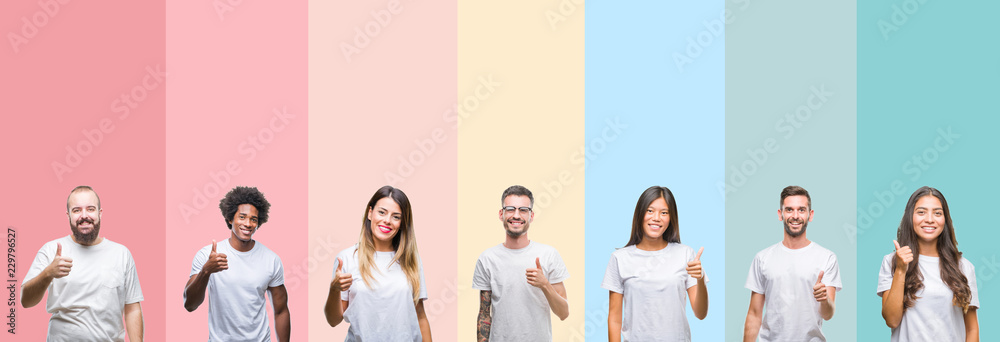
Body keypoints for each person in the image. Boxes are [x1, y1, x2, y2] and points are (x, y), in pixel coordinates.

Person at [21, 185, 144, 342]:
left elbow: (132, 308)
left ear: (100, 213)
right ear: (68, 215)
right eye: (77, 210)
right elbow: (26, 300)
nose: (84, 216)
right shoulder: (51, 249)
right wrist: (48, 273)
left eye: (90, 209)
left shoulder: (122, 254)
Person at [324, 185, 432, 341]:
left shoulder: (411, 259)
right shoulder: (347, 258)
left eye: (396, 216)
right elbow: (333, 321)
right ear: (370, 213)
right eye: (382, 212)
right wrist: (334, 289)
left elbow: (420, 316)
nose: (387, 220)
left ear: (402, 223)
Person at [183, 186, 290, 341]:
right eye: (242, 217)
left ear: (258, 223)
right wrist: (206, 271)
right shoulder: (207, 255)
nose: (248, 223)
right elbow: (189, 305)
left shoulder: (271, 259)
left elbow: (281, 310)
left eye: (253, 219)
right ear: (230, 218)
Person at [603, 186, 708, 342]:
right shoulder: (620, 258)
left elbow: (700, 313)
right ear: (640, 214)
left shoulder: (685, 254)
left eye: (664, 213)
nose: (656, 218)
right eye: (650, 211)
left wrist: (700, 279)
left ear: (671, 218)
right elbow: (614, 319)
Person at [878, 186, 979, 341]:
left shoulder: (963, 267)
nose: (930, 219)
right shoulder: (892, 261)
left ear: (945, 220)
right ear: (910, 217)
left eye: (937, 213)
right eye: (921, 212)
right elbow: (891, 320)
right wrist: (901, 270)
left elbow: (971, 329)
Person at [743, 185, 841, 342]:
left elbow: (828, 314)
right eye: (789, 210)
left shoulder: (827, 257)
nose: (795, 216)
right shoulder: (763, 258)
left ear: (810, 215)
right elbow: (754, 314)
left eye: (801, 210)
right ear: (780, 214)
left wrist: (824, 299)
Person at [473, 185, 569, 342]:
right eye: (510, 209)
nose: (516, 215)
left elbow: (564, 313)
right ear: (501, 214)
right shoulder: (487, 258)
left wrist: (545, 284)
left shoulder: (549, 254)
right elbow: (484, 313)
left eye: (523, 210)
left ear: (531, 216)